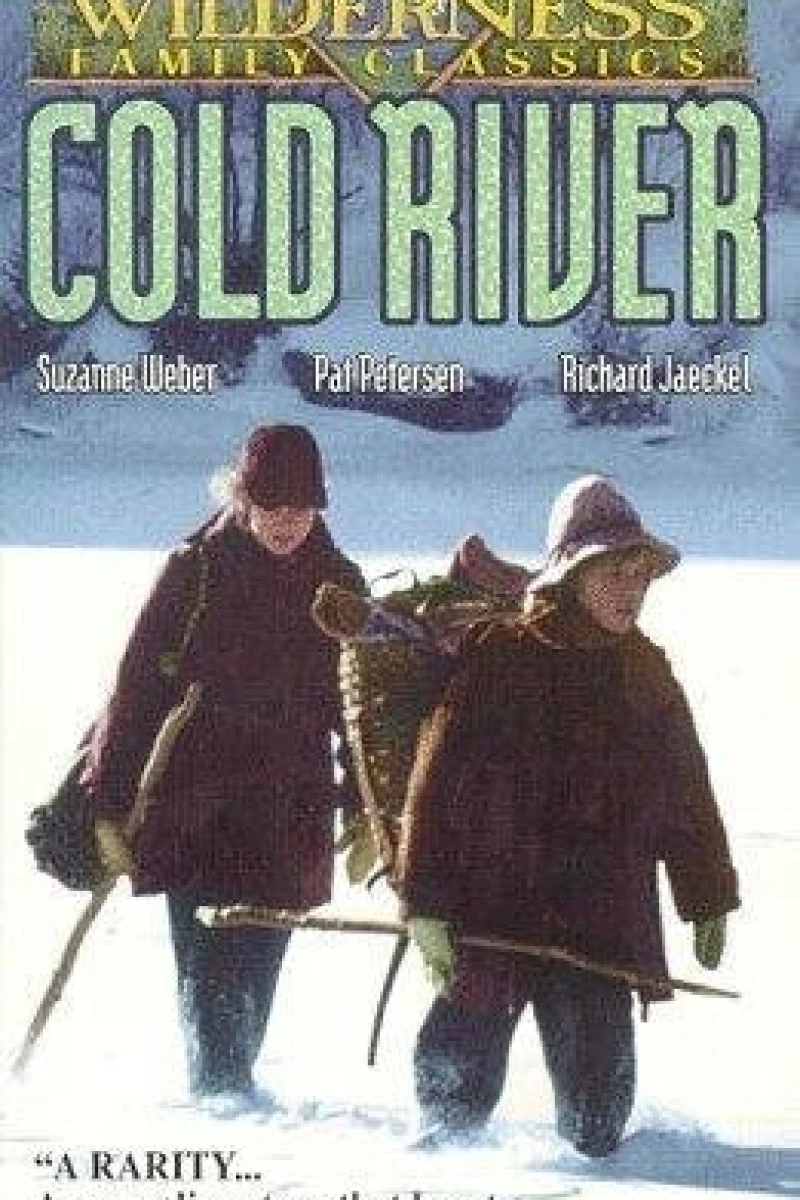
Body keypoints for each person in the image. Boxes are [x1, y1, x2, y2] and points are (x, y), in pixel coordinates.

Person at [397, 474, 739, 1157]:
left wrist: (706, 893)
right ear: (571, 574)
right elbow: (434, 787)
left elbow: (684, 790)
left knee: (597, 1121)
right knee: (452, 1097)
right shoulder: (500, 656)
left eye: (641, 575)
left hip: (599, 921)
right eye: (614, 572)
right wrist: (424, 904)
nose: (631, 590)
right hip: (494, 912)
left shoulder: (645, 672)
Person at [83, 424, 365, 1100]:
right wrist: (106, 805)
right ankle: (221, 1105)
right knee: (208, 971)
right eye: (272, 506)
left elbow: (359, 710)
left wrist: (365, 805)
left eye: (301, 507)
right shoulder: (197, 571)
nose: (286, 523)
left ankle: (230, 1097)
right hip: (194, 806)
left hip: (289, 809)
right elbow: (135, 690)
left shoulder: (340, 584)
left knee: (257, 966)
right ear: (242, 498)